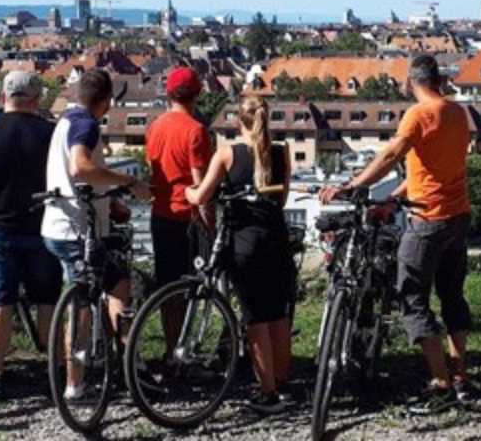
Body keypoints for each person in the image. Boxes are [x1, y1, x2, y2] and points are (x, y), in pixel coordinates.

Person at [320, 54, 472, 415]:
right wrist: (394, 197)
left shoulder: (418, 114)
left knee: (411, 295)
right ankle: (460, 373)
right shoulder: (457, 112)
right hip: (457, 214)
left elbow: (391, 155)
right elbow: (432, 170)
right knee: (452, 295)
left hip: (428, 219)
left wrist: (353, 185)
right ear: (440, 80)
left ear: (410, 82)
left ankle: (440, 383)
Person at [42, 69, 152, 399]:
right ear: (105, 102)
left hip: (59, 224)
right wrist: (129, 182)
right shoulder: (86, 124)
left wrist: (110, 200)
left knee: (104, 286)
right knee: (88, 300)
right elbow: (80, 167)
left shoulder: (66, 119)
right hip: (76, 230)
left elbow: (76, 178)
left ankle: (106, 365)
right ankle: (97, 375)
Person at [185, 95, 294, 414]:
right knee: (278, 314)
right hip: (276, 238)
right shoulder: (280, 152)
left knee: (255, 318)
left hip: (244, 242)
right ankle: (283, 380)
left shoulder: (227, 154)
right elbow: (282, 199)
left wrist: (189, 191)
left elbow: (201, 195)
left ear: (237, 122)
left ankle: (268, 392)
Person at [0, 71, 63, 402]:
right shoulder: (52, 134)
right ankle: (55, 374)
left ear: (3, 96)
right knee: (47, 302)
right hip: (42, 229)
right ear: (37, 99)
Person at [145, 66, 212, 362]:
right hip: (187, 217)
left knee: (166, 287)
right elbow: (200, 185)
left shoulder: (156, 126)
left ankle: (171, 347)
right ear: (196, 94)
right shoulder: (195, 130)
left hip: (160, 212)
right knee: (188, 289)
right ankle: (184, 349)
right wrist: (210, 223)